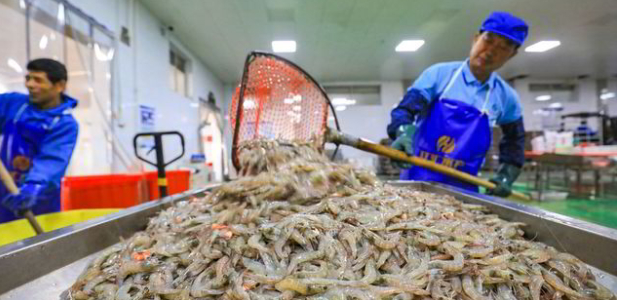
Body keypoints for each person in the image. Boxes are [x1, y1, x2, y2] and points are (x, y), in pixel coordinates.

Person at [387, 11, 528, 197]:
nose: (491, 51)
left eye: (503, 48)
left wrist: (506, 175)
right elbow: (405, 109)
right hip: (417, 181)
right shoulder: (439, 75)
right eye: (488, 40)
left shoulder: (507, 97)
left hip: (465, 189)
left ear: (512, 54)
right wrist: (403, 132)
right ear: (476, 38)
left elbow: (514, 142)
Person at [0, 58, 79, 223]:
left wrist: (31, 188)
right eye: (28, 78)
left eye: (38, 80)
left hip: (39, 201)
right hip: (4, 191)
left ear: (59, 86)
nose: (29, 84)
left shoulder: (65, 124)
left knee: (38, 244)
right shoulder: (14, 104)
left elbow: (51, 162)